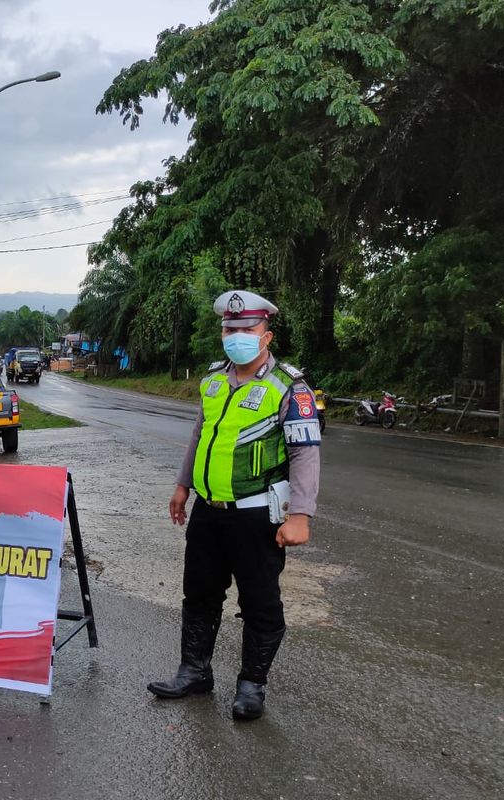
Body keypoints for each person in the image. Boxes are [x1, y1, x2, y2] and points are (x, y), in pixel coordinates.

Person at [150, 290, 321, 720]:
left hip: (257, 513)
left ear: (267, 335)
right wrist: (182, 486)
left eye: (247, 329)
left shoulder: (288, 386)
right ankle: (194, 672)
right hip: (209, 511)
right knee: (200, 593)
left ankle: (251, 686)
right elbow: (199, 436)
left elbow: (305, 452)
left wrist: (300, 515)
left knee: (260, 601)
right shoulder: (212, 380)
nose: (237, 335)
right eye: (230, 329)